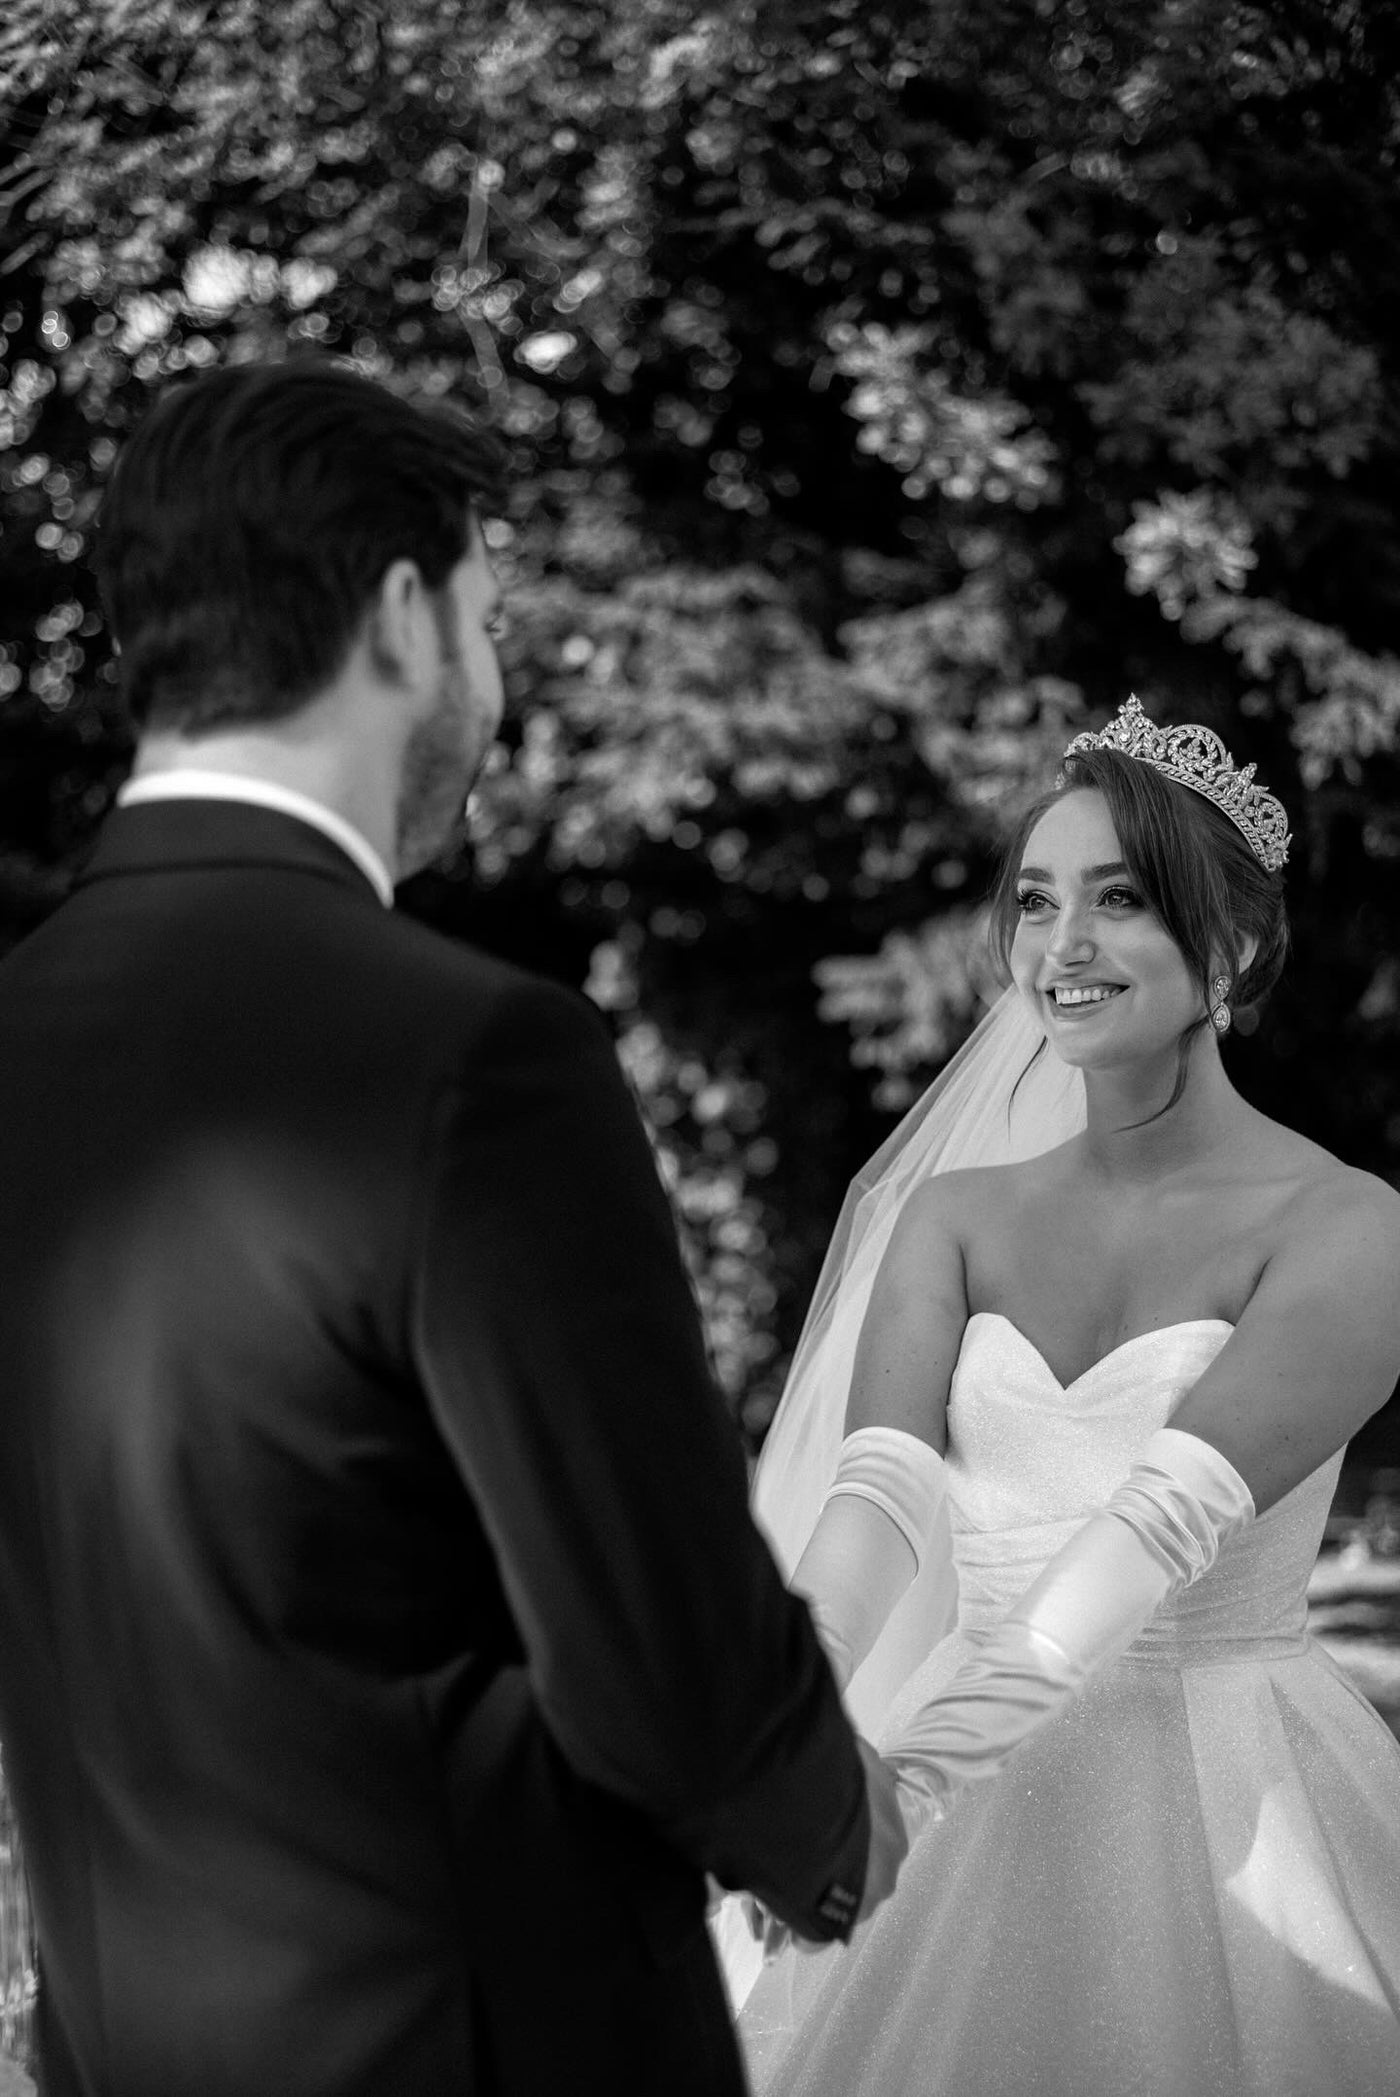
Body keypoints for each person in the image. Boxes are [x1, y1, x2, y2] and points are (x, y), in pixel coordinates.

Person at [0, 358, 909, 2097]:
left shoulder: (20, 1034)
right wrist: (833, 1821)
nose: (495, 690)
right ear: (407, 616)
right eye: (492, 624)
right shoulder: (479, 1061)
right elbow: (657, 1650)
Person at [729, 697, 1400, 2095]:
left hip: (1231, 1791)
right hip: (971, 1796)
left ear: (1233, 943)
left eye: (1120, 901)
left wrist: (906, 1781)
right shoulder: (954, 1216)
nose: (1063, 946)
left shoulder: (1351, 1225)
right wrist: (788, 1742)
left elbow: (1157, 1531)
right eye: (1036, 903)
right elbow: (883, 1493)